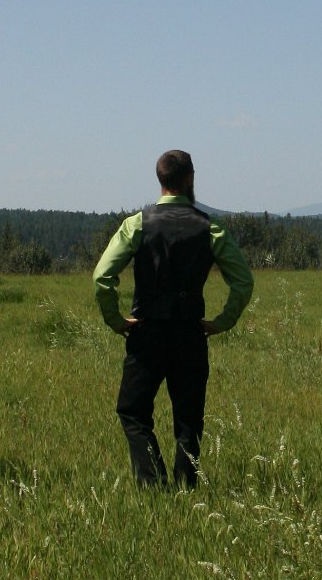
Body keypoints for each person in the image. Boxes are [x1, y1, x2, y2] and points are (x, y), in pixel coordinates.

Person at [93, 150, 254, 488]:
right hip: (190, 333)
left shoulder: (137, 224)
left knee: (133, 411)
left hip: (146, 332)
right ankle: (185, 488)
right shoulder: (210, 228)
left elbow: (102, 277)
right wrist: (222, 321)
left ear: (160, 179)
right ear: (190, 179)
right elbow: (243, 281)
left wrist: (116, 320)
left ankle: (154, 485)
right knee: (189, 418)